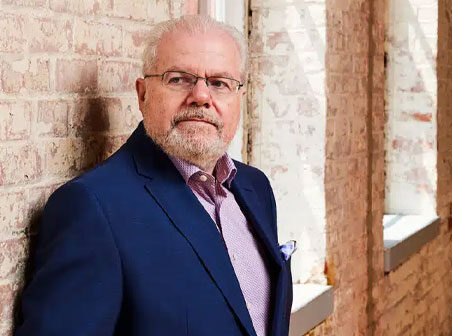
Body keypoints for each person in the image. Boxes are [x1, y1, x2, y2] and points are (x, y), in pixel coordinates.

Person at [15, 15, 292, 336]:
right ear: (143, 93)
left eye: (219, 83)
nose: (202, 96)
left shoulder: (255, 187)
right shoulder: (93, 208)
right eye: (179, 79)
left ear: (239, 99)